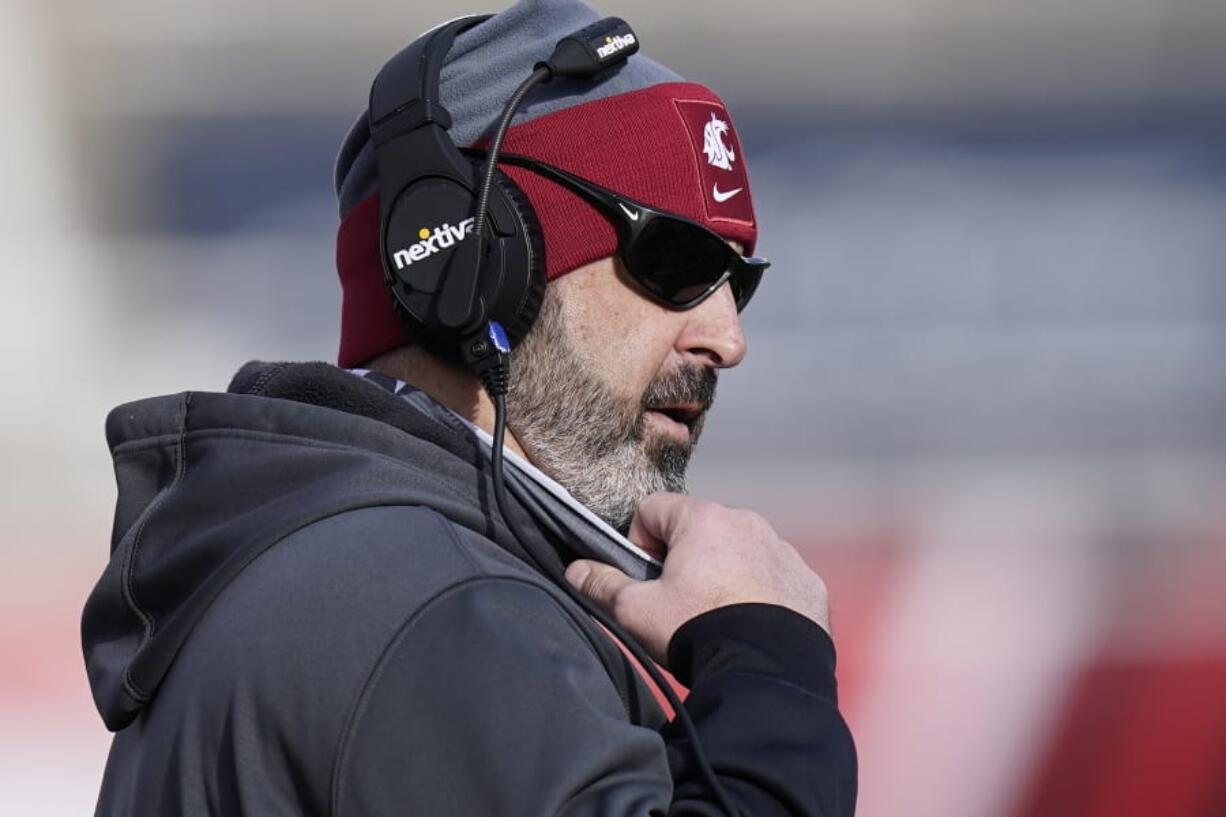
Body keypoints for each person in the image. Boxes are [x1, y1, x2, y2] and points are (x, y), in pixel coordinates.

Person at [81, 1, 857, 814]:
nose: (726, 337)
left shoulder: (352, 558)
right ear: (475, 267)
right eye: (676, 262)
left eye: (740, 281)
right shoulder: (423, 602)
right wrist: (774, 668)